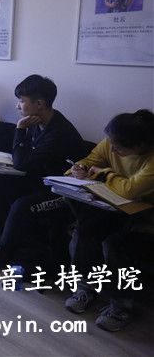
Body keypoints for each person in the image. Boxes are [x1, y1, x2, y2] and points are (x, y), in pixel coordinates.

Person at [0, 75, 84, 271]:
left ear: (39, 103)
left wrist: (20, 129)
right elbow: (23, 160)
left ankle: (2, 252)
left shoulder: (59, 132)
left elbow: (22, 163)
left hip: (60, 193)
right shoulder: (37, 122)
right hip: (37, 180)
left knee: (21, 205)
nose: (18, 106)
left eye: (21, 101)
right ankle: (2, 241)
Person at [64, 110, 154, 332]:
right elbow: (90, 161)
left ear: (140, 145)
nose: (112, 149)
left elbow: (131, 189)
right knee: (86, 230)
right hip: (119, 210)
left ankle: (122, 305)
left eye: (119, 148)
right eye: (111, 143)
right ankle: (86, 286)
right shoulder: (112, 142)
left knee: (118, 246)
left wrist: (104, 174)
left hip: (147, 220)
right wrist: (80, 167)